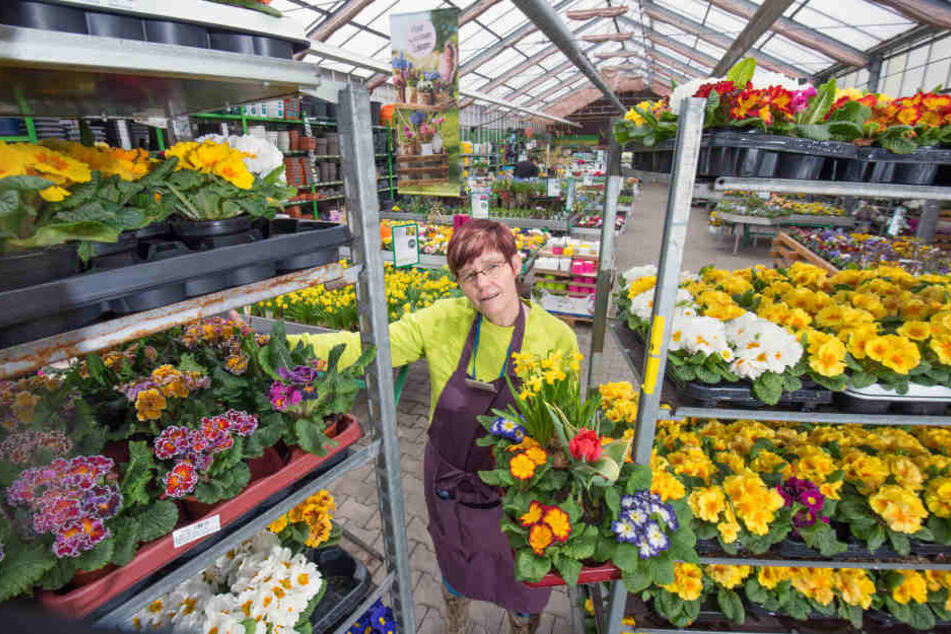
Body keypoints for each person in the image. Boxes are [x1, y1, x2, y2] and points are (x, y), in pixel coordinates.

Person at [291, 219, 579, 634]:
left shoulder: (556, 338)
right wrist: (282, 345)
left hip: (519, 489)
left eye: (493, 267)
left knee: (521, 575)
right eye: (469, 275)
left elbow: (563, 425)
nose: (483, 284)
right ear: (459, 282)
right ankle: (455, 623)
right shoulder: (445, 319)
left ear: (516, 265)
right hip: (450, 480)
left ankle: (522, 624)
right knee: (454, 561)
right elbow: (372, 346)